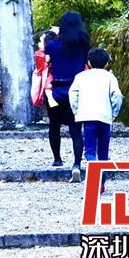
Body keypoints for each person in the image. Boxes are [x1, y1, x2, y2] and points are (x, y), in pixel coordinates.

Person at [44, 10, 91, 182]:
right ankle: (76, 164)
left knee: (54, 125)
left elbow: (44, 61)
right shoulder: (84, 45)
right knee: (76, 130)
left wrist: (54, 35)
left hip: (56, 91)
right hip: (77, 90)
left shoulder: (52, 46)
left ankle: (57, 159)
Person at [69, 47, 123, 170]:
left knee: (90, 151)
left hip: (88, 117)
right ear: (106, 63)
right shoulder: (110, 77)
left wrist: (76, 111)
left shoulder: (80, 76)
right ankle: (102, 174)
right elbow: (117, 96)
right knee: (104, 152)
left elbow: (72, 94)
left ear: (89, 62)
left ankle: (95, 170)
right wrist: (114, 113)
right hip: (105, 117)